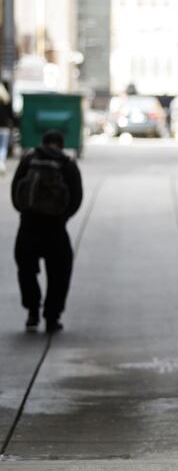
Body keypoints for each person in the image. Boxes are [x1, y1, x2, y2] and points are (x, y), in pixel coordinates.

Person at [11, 130, 83, 333]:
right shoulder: (67, 164)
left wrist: (26, 212)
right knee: (59, 274)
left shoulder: (28, 161)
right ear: (61, 144)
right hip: (55, 229)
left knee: (26, 271)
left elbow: (16, 191)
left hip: (28, 227)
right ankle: (52, 317)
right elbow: (76, 197)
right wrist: (62, 217)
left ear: (42, 143)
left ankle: (32, 311)